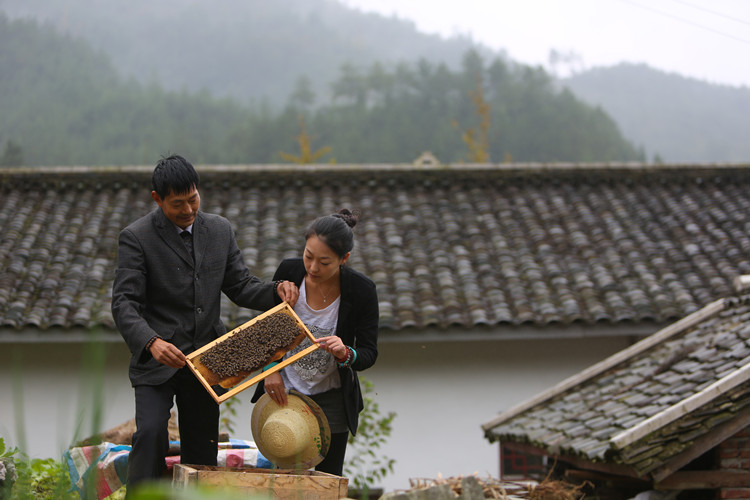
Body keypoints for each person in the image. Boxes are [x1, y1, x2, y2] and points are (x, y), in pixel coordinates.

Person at [111, 154, 299, 492]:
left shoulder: (220, 229)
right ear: (157, 199)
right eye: (177, 204)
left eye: (193, 199)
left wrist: (276, 291)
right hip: (157, 361)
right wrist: (151, 342)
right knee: (151, 432)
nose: (188, 210)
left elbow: (240, 286)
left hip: (208, 360)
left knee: (201, 450)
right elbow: (124, 303)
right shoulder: (136, 237)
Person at [251, 208, 379, 476]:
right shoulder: (288, 271)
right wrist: (270, 371)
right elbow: (265, 330)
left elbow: (368, 353)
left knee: (327, 482)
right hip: (283, 392)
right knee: (282, 478)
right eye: (308, 256)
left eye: (324, 262)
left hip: (331, 399)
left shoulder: (362, 291)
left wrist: (346, 353)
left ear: (344, 259)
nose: (312, 268)